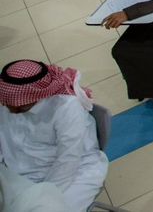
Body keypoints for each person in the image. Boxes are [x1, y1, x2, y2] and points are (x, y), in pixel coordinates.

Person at [0, 60, 106, 210]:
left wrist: (45, 195)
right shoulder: (11, 103)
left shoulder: (67, 107)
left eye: (10, 101)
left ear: (31, 96)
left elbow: (68, 159)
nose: (4, 104)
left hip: (72, 172)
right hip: (19, 170)